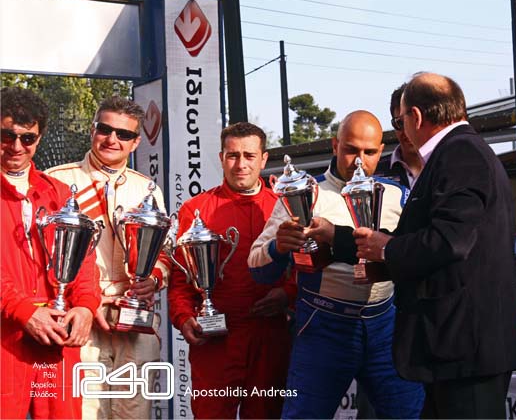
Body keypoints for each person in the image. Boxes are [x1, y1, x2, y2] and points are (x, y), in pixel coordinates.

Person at [354, 72, 516, 419]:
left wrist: (387, 249)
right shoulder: (459, 152)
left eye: (400, 121)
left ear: (416, 117)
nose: (402, 130)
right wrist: (374, 254)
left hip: (465, 349)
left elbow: (450, 240)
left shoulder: (460, 153)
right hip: (455, 348)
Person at [248, 110, 425, 419]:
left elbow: (415, 256)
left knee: (410, 415)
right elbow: (257, 266)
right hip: (323, 325)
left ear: (381, 151)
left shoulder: (397, 194)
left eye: (369, 152)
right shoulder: (305, 192)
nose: (359, 161)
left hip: (386, 324)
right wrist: (279, 247)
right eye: (351, 149)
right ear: (335, 145)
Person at [46, 96, 171, 419]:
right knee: (86, 412)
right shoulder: (57, 180)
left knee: (135, 412)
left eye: (124, 134)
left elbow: (164, 252)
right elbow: (43, 254)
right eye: (105, 129)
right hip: (79, 314)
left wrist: (153, 279)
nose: (112, 139)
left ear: (136, 142)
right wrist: (87, 300)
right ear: (93, 130)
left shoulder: (147, 189)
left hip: (134, 315)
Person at [168, 122, 296, 419]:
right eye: (233, 155)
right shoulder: (196, 210)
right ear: (221, 157)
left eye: (249, 156)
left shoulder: (284, 207)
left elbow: (306, 266)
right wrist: (184, 317)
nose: (241, 164)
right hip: (216, 339)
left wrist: (287, 294)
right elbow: (180, 279)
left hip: (269, 336)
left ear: (263, 159)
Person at [1, 87, 101, 419]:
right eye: (6, 135)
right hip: (5, 336)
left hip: (55, 335)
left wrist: (85, 306)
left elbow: (83, 261)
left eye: (27, 138)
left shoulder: (56, 193)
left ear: (39, 138)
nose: (16, 146)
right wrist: (22, 310)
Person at [375, 83, 422, 189]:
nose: (407, 131)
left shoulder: (449, 167)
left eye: (413, 122)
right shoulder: (374, 174)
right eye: (400, 123)